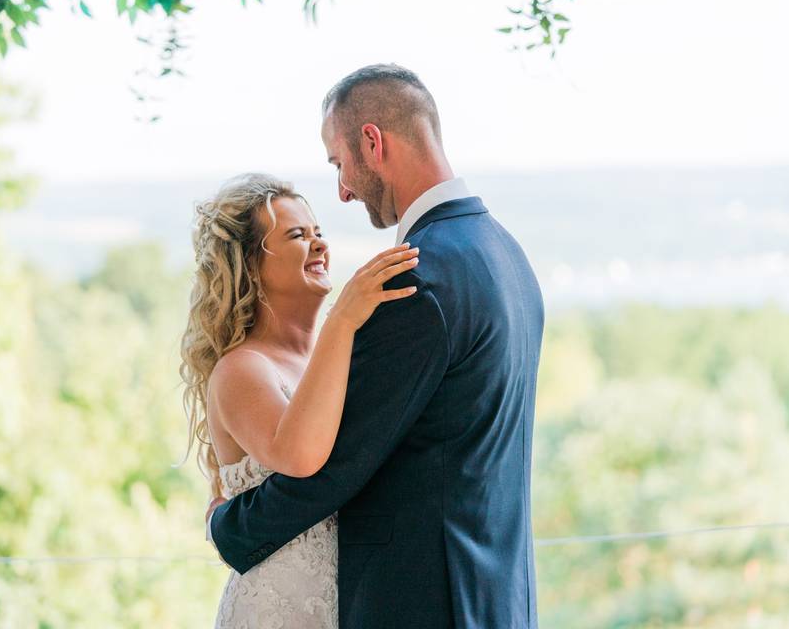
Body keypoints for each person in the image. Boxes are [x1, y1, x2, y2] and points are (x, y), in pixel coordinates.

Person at [205, 64, 544, 628]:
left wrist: (229, 527)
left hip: (429, 602)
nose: (342, 190)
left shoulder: (415, 280)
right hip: (497, 596)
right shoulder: (506, 255)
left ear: (372, 142)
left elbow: (336, 464)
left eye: (340, 164)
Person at [180, 173, 419, 627]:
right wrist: (342, 320)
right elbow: (301, 456)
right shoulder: (242, 369)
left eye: (318, 233)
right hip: (278, 611)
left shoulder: (331, 356)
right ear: (250, 265)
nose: (318, 245)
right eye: (296, 235)